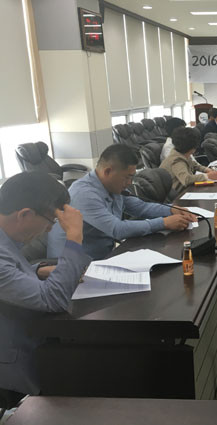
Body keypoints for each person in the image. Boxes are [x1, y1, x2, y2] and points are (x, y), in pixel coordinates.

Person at [0, 172, 91, 395]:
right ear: (25, 214)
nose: (50, 230)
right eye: (51, 221)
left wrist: (37, 271)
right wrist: (74, 237)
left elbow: (7, 277)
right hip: (15, 360)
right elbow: (53, 300)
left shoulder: (7, 239)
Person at [47, 145, 197, 260]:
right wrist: (164, 223)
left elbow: (140, 207)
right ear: (107, 171)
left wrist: (171, 210)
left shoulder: (113, 187)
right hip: (71, 263)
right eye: (127, 177)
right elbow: (117, 229)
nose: (130, 183)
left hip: (102, 255)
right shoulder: (84, 194)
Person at [160, 127, 217, 195]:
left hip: (184, 190)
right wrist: (207, 176)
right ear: (193, 147)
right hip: (178, 195)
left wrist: (207, 170)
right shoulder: (177, 160)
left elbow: (195, 165)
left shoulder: (181, 153)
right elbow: (186, 179)